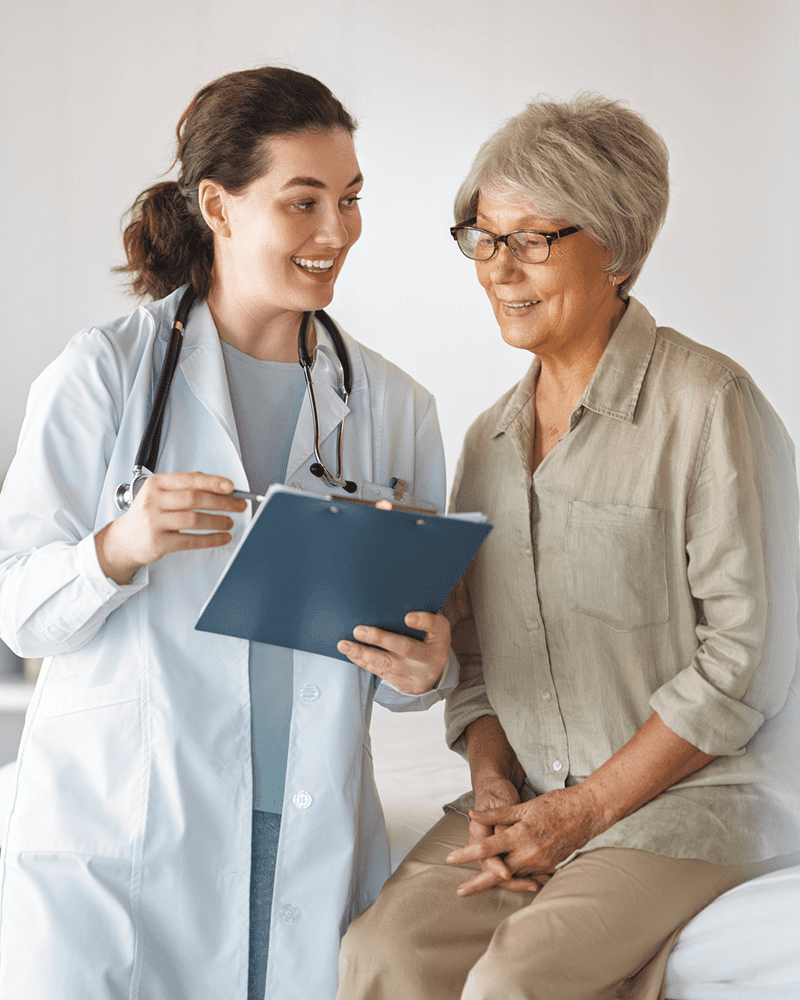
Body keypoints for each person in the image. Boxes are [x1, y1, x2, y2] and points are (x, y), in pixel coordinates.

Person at [0, 67, 455, 1000]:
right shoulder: (102, 377)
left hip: (304, 828)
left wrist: (427, 668)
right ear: (219, 205)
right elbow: (18, 612)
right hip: (131, 832)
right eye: (304, 201)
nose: (338, 232)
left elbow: (418, 668)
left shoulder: (394, 406)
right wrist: (118, 547)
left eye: (351, 199)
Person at [336, 93, 800, 1000]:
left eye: (532, 239)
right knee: (377, 955)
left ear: (618, 250)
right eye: (483, 237)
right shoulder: (488, 444)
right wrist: (495, 784)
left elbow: (747, 662)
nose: (500, 268)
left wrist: (582, 811)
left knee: (518, 976)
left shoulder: (710, 407)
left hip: (689, 808)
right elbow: (472, 657)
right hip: (535, 798)